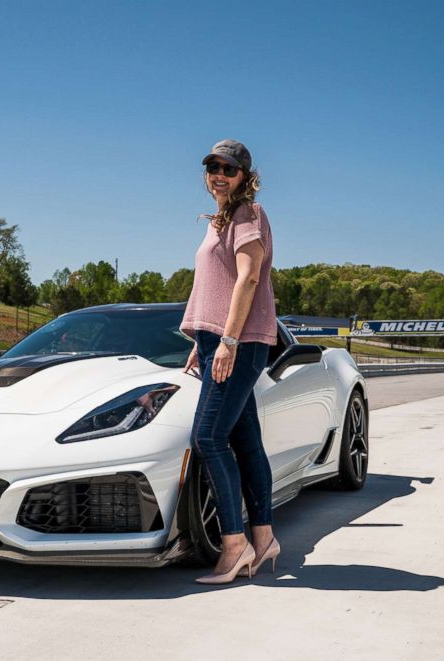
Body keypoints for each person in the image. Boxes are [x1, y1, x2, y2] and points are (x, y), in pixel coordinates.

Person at [180, 139, 279, 585]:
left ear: (244, 176)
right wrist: (201, 335)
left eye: (228, 169)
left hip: (236, 341)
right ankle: (264, 539)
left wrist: (228, 340)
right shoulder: (219, 220)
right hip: (217, 338)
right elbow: (214, 286)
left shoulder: (247, 215)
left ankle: (233, 545)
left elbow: (249, 277)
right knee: (246, 441)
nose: (218, 174)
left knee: (208, 438)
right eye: (212, 167)